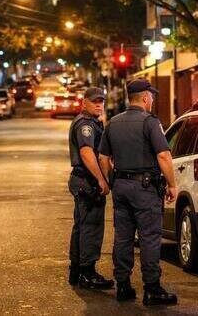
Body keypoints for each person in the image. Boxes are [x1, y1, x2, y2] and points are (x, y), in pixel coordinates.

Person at [98, 79, 178, 305]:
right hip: (145, 189)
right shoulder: (150, 122)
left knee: (123, 237)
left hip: (121, 186)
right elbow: (163, 155)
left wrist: (112, 180)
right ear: (144, 98)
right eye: (151, 96)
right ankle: (152, 288)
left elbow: (103, 157)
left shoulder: (113, 123)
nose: (152, 100)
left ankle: (123, 285)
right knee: (149, 237)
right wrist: (172, 184)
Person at [67, 87, 114, 290]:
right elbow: (86, 152)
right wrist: (101, 179)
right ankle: (87, 273)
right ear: (83, 102)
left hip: (83, 180)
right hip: (87, 182)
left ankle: (77, 270)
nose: (99, 105)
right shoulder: (85, 124)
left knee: (81, 226)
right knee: (91, 228)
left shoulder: (92, 122)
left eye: (101, 101)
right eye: (94, 101)